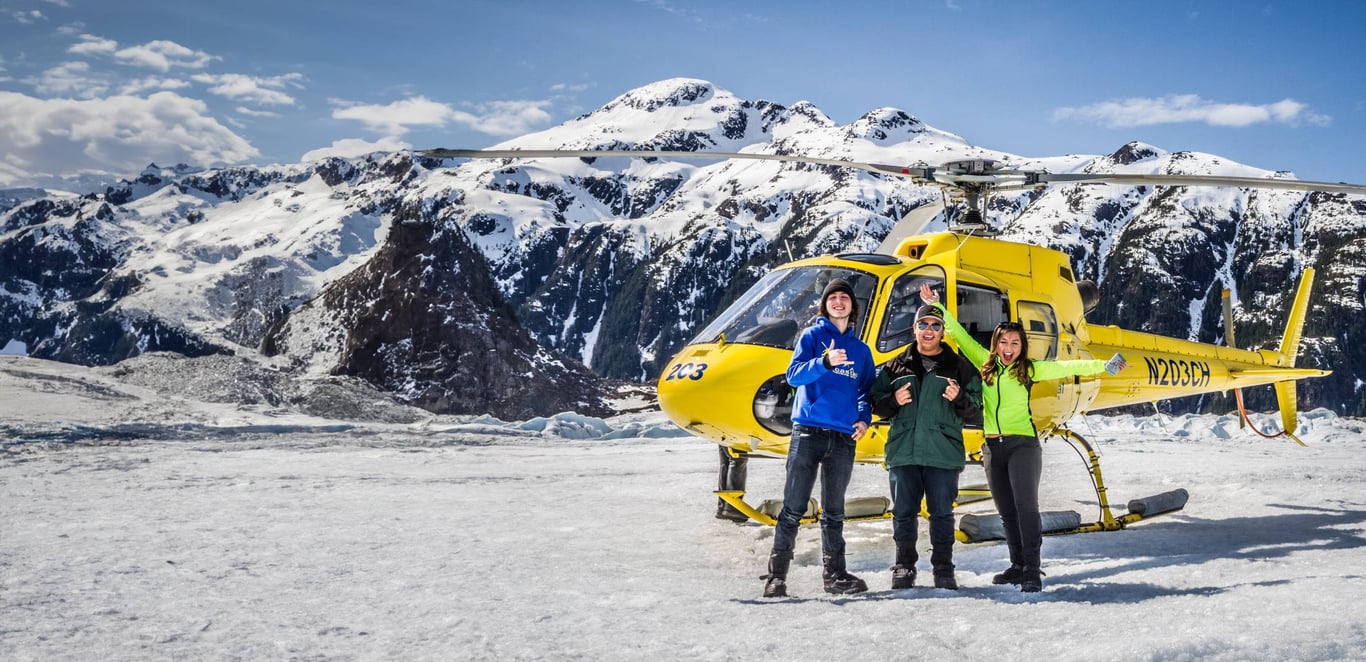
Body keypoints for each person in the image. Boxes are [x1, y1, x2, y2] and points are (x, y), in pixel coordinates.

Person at [920, 284, 1126, 592]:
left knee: (1026, 507)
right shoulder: (985, 364)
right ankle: (1017, 565)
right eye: (1004, 341)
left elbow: (1067, 366)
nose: (1008, 347)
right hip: (992, 447)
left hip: (1022, 446)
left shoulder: (1029, 370)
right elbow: (960, 335)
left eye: (1015, 342)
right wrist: (939, 307)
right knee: (1006, 511)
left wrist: (1103, 366)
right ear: (996, 343)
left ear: (1021, 347)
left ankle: (1032, 568)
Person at [763, 278, 876, 598]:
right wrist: (825, 361)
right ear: (825, 305)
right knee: (793, 507)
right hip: (808, 432)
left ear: (853, 307)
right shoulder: (812, 337)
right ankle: (777, 576)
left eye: (845, 298)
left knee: (834, 510)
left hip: (842, 438)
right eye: (833, 298)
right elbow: (794, 375)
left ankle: (835, 575)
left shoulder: (861, 351)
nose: (839, 302)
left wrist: (863, 419)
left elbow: (865, 392)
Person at [870, 304, 981, 590]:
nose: (928, 331)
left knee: (942, 513)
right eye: (923, 325)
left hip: (942, 452)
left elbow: (976, 408)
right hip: (903, 451)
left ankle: (943, 567)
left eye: (935, 325)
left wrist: (959, 399)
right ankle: (904, 566)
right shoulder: (895, 365)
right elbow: (875, 404)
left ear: (943, 332)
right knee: (903, 512)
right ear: (914, 329)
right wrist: (893, 400)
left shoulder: (959, 366)